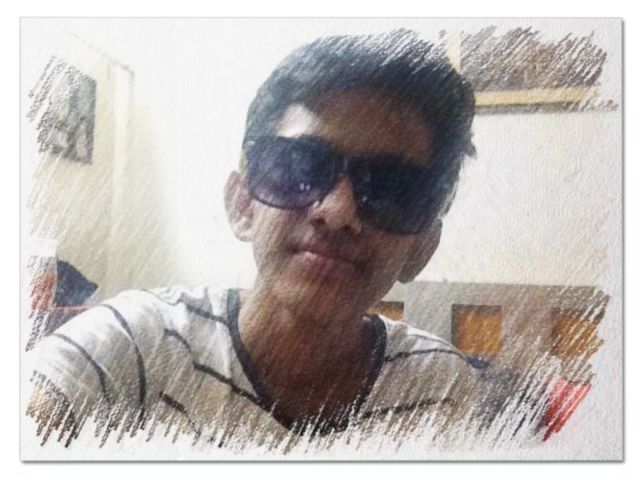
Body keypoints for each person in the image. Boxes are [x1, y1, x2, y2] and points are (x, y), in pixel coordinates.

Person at [26, 29, 479, 452]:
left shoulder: (440, 389)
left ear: (421, 249)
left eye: (391, 188)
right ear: (243, 205)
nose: (337, 211)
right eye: (301, 166)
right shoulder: (134, 345)